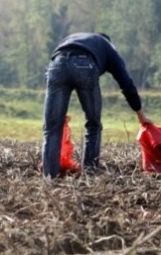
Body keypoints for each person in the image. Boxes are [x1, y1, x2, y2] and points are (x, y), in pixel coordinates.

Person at [42, 32, 151, 178]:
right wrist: (141, 115)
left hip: (57, 64)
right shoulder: (109, 48)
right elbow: (126, 83)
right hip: (84, 65)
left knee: (52, 127)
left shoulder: (74, 37)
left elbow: (62, 64)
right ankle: (89, 176)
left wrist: (58, 106)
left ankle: (49, 179)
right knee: (93, 124)